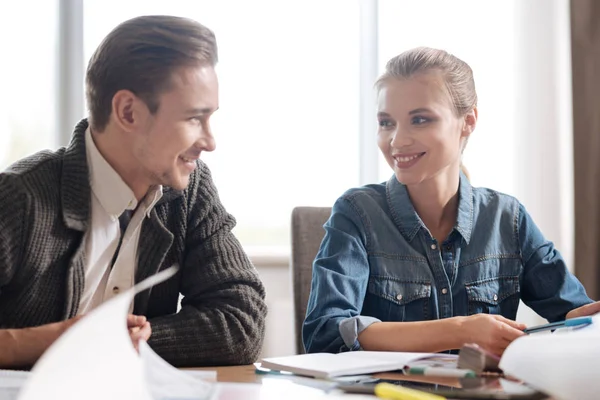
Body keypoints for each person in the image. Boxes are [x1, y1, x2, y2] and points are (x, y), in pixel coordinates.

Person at [0, 15, 266, 368]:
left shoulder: (190, 190)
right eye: (193, 119)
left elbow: (242, 321)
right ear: (128, 112)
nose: (210, 141)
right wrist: (55, 342)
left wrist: (134, 341)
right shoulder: (20, 198)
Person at [303, 47, 599, 356]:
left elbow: (574, 315)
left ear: (468, 120)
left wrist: (582, 322)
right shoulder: (357, 213)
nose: (397, 140)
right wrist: (460, 331)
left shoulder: (507, 219)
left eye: (419, 119)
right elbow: (326, 333)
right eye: (386, 122)